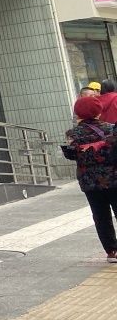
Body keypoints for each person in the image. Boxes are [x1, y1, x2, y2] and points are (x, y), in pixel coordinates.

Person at [61, 94, 117, 262]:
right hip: (114, 178)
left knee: (100, 216)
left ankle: (112, 251)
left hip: (89, 182)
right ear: (98, 111)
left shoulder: (72, 134)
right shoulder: (111, 129)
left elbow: (71, 155)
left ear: (78, 113)